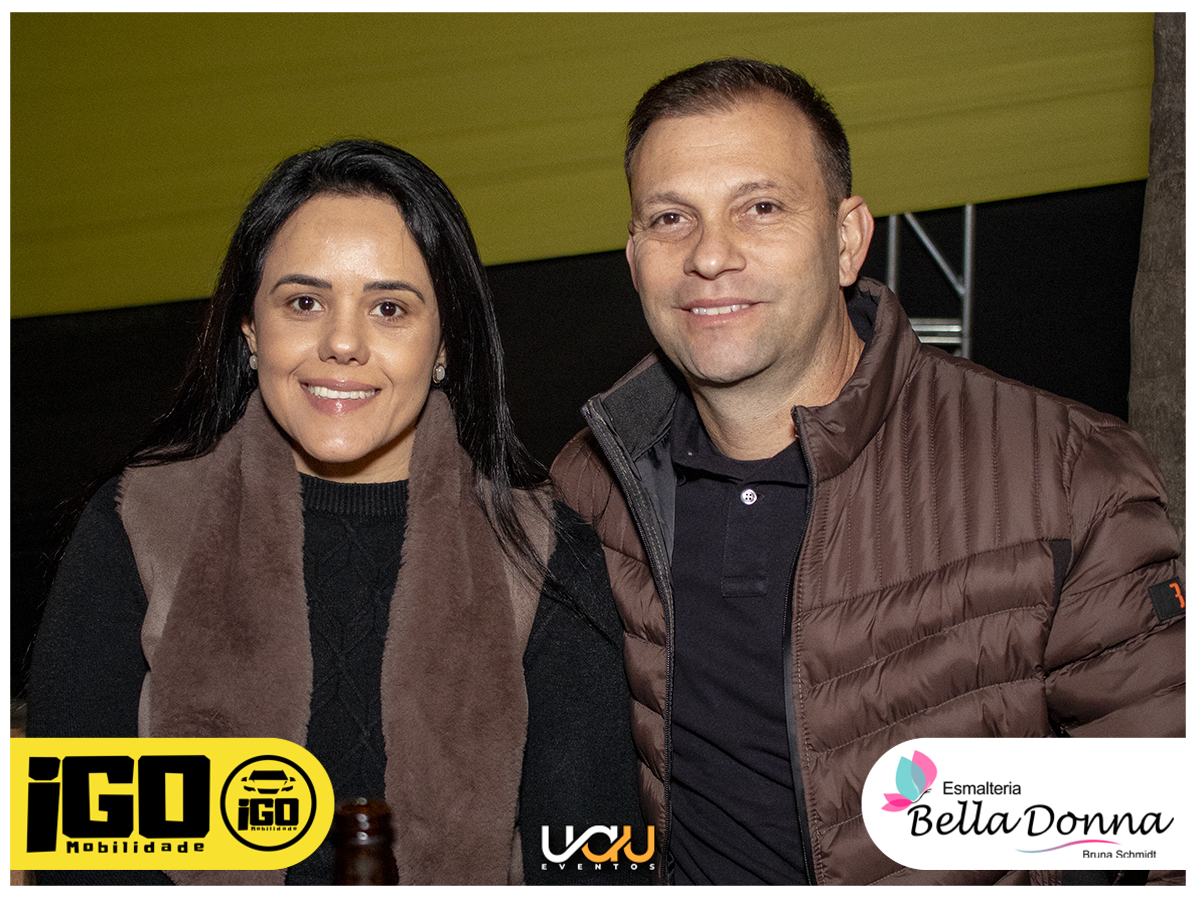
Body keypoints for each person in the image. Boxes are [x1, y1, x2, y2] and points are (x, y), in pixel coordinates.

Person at [551, 58, 1185, 886]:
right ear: (636, 259)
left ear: (847, 239)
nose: (710, 255)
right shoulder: (589, 487)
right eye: (672, 218)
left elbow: (1155, 831)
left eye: (761, 207)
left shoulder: (1064, 474)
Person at [28, 139, 643, 886]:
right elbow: (77, 860)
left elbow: (594, 867)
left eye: (389, 308)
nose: (343, 343)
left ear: (444, 346)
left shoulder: (542, 549)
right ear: (251, 332)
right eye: (304, 302)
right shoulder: (140, 525)